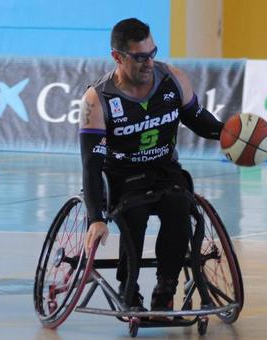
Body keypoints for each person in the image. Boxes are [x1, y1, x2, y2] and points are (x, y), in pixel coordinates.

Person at [79, 18, 224, 312]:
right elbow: (91, 164)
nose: (149, 62)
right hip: (121, 175)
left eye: (153, 53)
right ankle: (128, 288)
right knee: (134, 213)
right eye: (140, 57)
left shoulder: (172, 79)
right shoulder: (97, 99)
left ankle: (165, 289)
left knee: (179, 209)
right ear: (117, 57)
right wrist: (95, 217)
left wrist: (228, 134)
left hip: (164, 170)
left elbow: (196, 118)